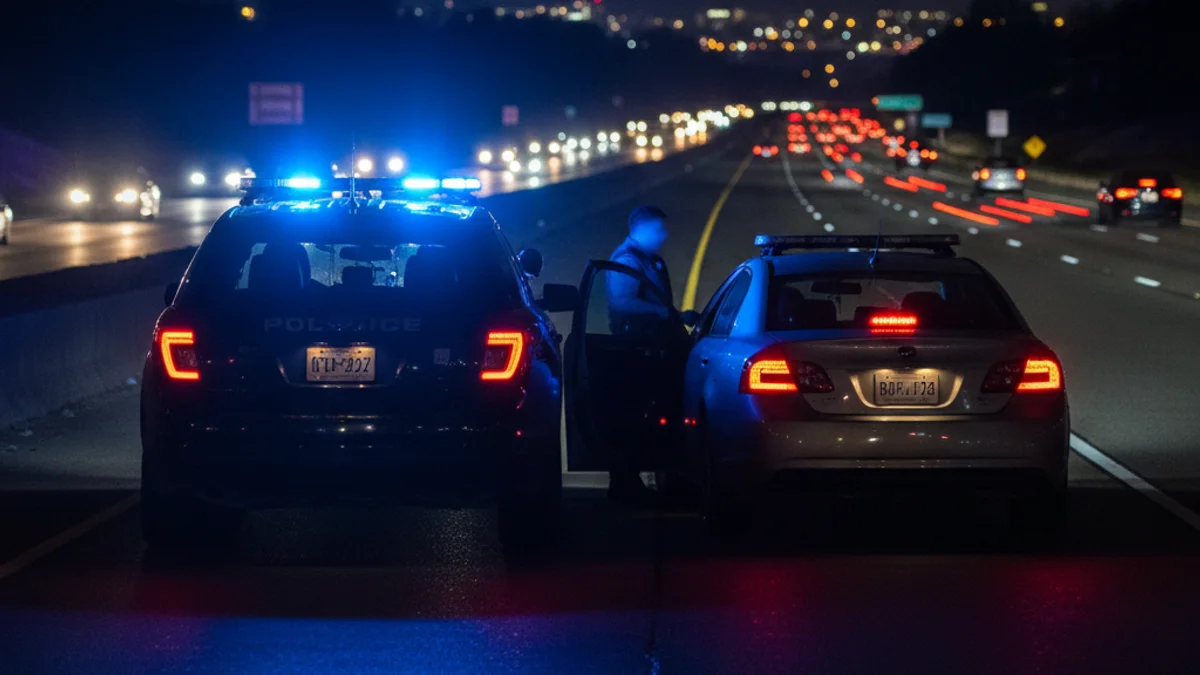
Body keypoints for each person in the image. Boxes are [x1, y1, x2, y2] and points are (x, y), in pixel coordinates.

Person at [605, 205, 677, 504]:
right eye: (659, 229)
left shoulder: (648, 260)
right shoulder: (627, 261)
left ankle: (649, 480)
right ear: (643, 229)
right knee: (635, 416)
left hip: (651, 347)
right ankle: (625, 483)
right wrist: (661, 312)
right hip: (635, 349)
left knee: (652, 414)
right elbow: (622, 302)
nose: (665, 235)